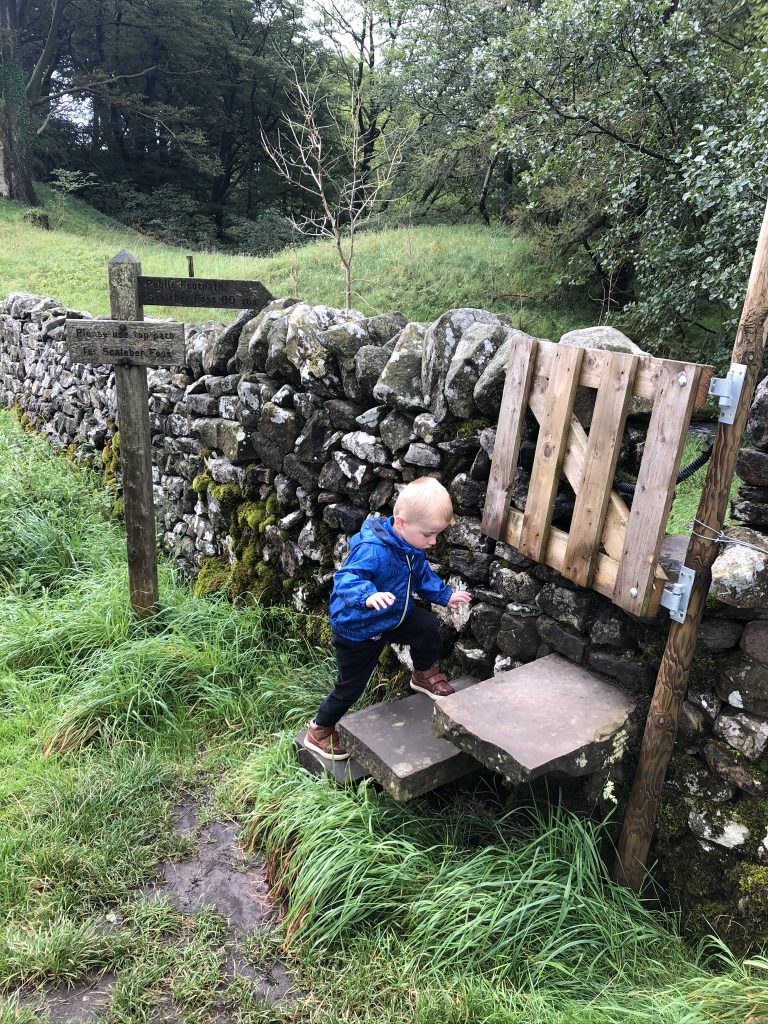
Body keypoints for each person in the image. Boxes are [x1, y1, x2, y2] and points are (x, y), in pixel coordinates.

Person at [304, 477, 472, 761]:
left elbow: (421, 577)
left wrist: (445, 596)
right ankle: (319, 730)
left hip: (393, 618)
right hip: (359, 629)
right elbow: (346, 578)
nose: (433, 542)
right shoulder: (374, 549)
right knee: (351, 686)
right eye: (429, 534)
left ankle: (422, 673)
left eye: (437, 535)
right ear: (401, 523)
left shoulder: (412, 547)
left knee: (428, 627)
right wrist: (368, 595)